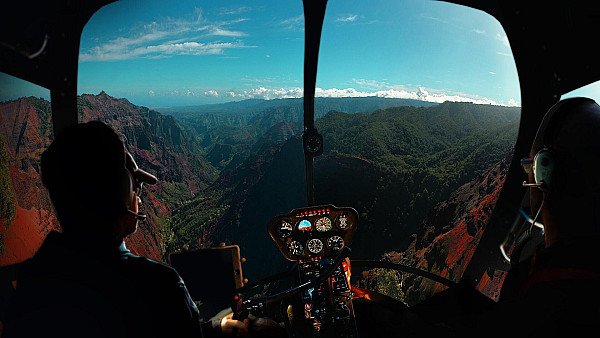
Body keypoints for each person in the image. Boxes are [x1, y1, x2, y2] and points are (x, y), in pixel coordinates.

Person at [1, 121, 249, 338]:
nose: (139, 197)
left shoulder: (29, 284)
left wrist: (216, 328)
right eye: (135, 187)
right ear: (120, 193)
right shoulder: (159, 286)